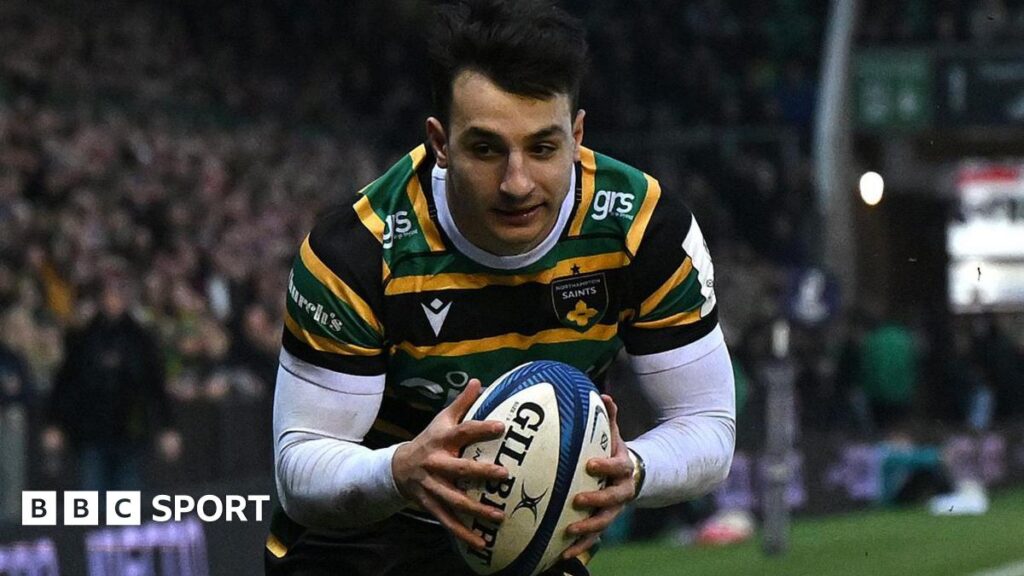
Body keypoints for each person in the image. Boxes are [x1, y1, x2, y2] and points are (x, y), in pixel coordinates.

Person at [266, 1, 736, 574]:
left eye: (543, 148)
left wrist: (633, 469)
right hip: (358, 544)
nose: (517, 183)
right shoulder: (358, 251)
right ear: (440, 142)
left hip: (528, 539)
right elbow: (299, 469)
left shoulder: (644, 230)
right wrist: (400, 471)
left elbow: (709, 426)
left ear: (577, 135)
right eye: (486, 149)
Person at [43, 273, 182, 491]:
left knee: (125, 498)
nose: (114, 299)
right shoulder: (83, 337)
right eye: (110, 293)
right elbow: (66, 383)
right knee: (91, 497)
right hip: (91, 430)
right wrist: (55, 423)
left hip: (129, 430)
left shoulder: (140, 338)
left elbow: (155, 385)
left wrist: (167, 427)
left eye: (119, 293)